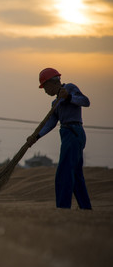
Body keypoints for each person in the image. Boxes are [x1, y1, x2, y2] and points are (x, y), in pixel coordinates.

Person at [27, 68, 92, 209]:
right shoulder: (55, 103)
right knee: (76, 174)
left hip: (74, 133)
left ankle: (63, 208)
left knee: (64, 173)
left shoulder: (70, 88)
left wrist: (69, 97)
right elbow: (50, 123)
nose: (45, 91)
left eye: (44, 87)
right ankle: (86, 208)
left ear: (52, 83)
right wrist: (36, 137)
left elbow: (85, 101)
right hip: (66, 135)